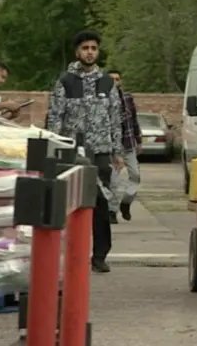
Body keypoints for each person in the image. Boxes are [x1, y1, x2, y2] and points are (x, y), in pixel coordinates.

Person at [46, 30, 124, 273]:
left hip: (101, 149)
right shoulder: (66, 82)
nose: (90, 52)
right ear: (77, 52)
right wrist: (54, 147)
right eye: (85, 48)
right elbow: (55, 117)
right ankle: (70, 254)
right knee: (72, 202)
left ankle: (99, 255)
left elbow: (115, 118)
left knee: (101, 202)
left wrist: (118, 151)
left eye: (93, 48)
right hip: (72, 149)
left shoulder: (107, 82)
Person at [107, 70, 142, 224]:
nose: (115, 82)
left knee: (135, 176)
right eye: (111, 79)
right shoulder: (102, 100)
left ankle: (125, 203)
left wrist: (138, 140)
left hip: (128, 144)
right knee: (114, 181)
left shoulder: (127, 98)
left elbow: (134, 120)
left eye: (117, 79)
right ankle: (112, 211)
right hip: (113, 148)